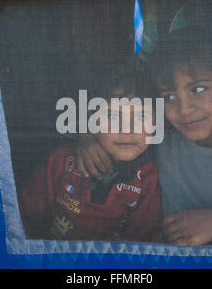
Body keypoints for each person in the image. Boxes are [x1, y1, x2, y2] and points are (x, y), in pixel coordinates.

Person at [76, 25, 212, 246]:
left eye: (197, 89)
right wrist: (87, 134)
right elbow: (113, 132)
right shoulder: (159, 141)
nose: (184, 109)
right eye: (168, 96)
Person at [18, 66, 162, 242]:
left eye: (141, 117)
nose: (127, 129)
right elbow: (26, 217)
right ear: (91, 118)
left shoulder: (148, 176)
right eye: (112, 115)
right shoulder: (63, 159)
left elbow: (143, 240)